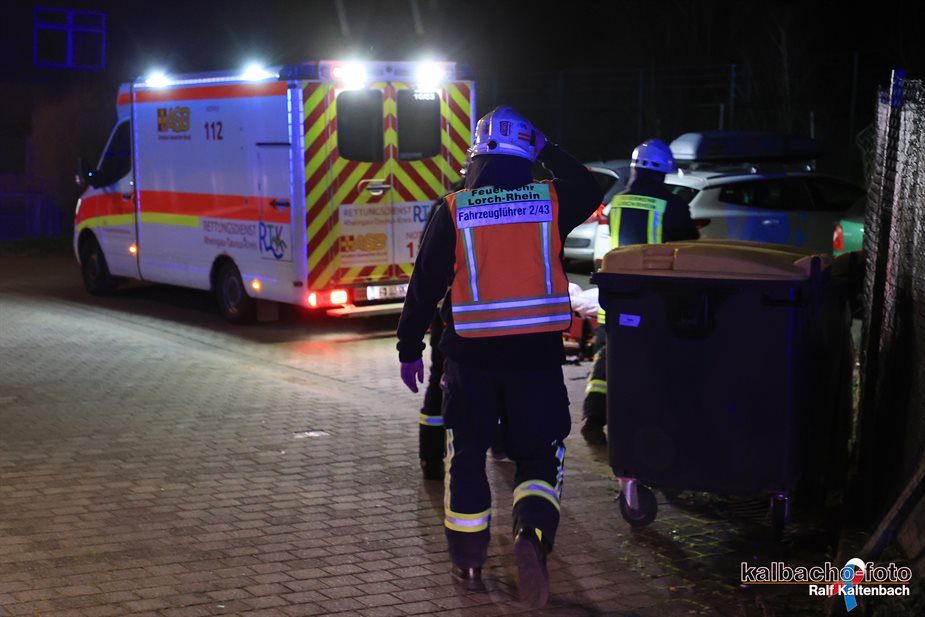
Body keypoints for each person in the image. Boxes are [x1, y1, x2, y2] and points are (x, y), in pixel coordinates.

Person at [397, 105, 601, 607]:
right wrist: (548, 147)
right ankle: (531, 533)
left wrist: (410, 347)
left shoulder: (455, 208)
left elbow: (424, 285)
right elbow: (590, 184)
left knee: (467, 456)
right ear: (527, 153)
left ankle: (469, 561)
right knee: (539, 453)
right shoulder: (550, 200)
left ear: (477, 155)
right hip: (536, 357)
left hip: (471, 358)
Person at [580, 139, 699, 445]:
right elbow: (690, 247)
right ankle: (644, 423)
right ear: (662, 171)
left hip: (618, 293)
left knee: (609, 353)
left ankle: (594, 416)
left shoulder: (617, 202)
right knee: (653, 358)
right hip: (656, 297)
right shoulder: (672, 205)